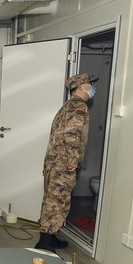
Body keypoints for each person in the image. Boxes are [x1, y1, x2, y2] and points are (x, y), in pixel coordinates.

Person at [35, 73, 96, 252]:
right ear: (80, 87)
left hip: (54, 162)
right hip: (63, 164)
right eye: (89, 84)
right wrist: (73, 159)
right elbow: (71, 134)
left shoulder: (66, 107)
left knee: (51, 199)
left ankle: (50, 237)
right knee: (57, 202)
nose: (91, 87)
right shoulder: (79, 107)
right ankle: (45, 243)